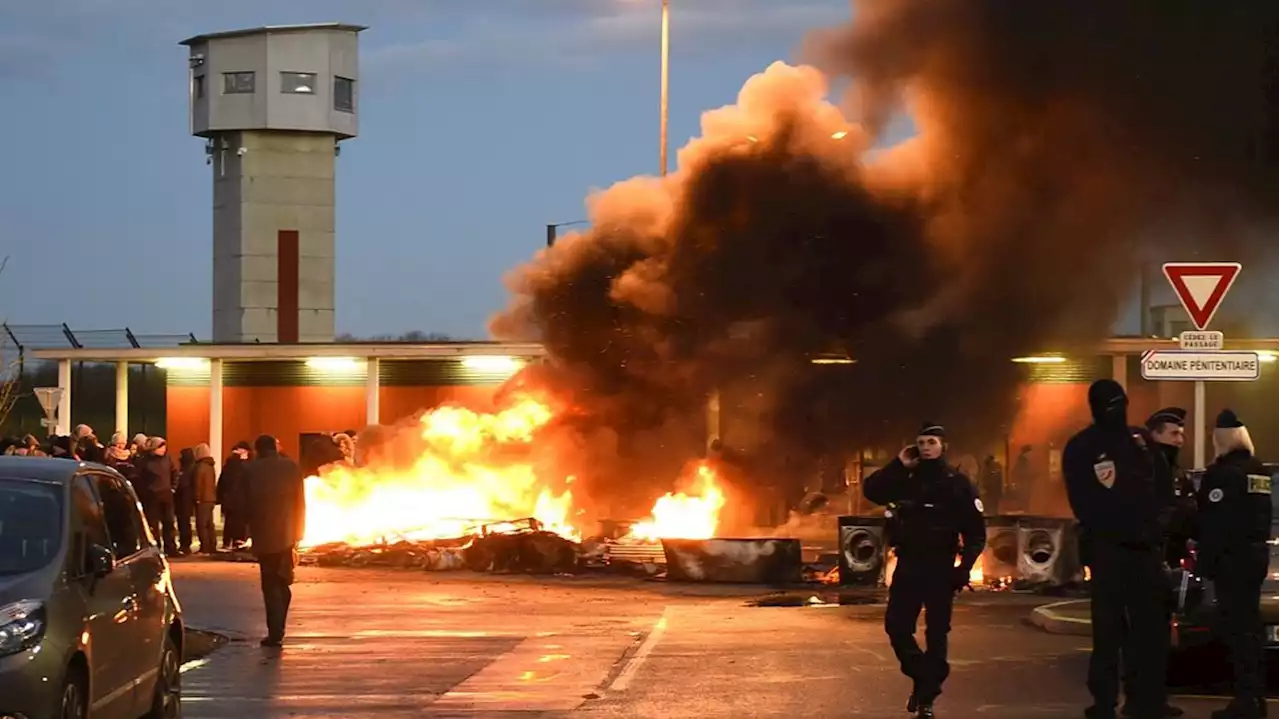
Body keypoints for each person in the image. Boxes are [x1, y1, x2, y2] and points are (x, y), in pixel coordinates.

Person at [1063, 379, 1176, 719]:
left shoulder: (1141, 442)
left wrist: (1154, 529)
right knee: (1109, 633)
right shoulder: (1083, 447)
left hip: (1143, 550)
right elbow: (1081, 500)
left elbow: (1164, 491)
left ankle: (1147, 701)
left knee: (1150, 632)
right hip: (1108, 549)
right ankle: (1105, 702)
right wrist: (1114, 529)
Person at [863, 422, 986, 719]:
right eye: (921, 442)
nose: (926, 447)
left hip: (940, 566)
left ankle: (927, 698)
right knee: (897, 626)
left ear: (943, 446)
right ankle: (924, 678)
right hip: (908, 564)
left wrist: (964, 568)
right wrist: (898, 463)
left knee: (937, 635)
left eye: (931, 442)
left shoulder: (957, 483)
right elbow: (872, 491)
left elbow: (975, 532)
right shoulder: (907, 478)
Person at [1196, 410, 1271, 719]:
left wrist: (1205, 565)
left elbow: (1213, 524)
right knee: (1251, 630)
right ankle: (1257, 698)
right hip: (1256, 557)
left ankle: (1244, 702)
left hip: (1232, 560)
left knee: (1237, 632)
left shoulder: (1221, 474)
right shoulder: (1259, 471)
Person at [245, 434, 307, 647]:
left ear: (258, 449)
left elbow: (240, 502)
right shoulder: (291, 467)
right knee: (283, 582)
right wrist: (299, 533)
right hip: (288, 536)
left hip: (264, 536)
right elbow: (300, 501)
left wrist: (247, 528)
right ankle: (278, 626)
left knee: (270, 584)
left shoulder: (251, 469)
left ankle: (275, 631)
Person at [135, 437, 179, 555]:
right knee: (153, 524)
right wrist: (146, 492)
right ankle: (156, 548)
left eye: (164, 447)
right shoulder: (145, 461)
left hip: (166, 495)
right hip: (152, 497)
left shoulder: (168, 459)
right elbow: (139, 478)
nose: (163, 449)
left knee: (169, 522)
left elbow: (175, 473)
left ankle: (171, 548)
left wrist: (173, 488)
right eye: (161, 447)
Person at [217, 441, 252, 549]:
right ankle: (238, 543)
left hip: (230, 500)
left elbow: (222, 482)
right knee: (240, 523)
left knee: (229, 522)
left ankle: (227, 542)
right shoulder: (244, 466)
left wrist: (221, 497)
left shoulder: (229, 465)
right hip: (241, 500)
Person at [191, 443, 218, 554]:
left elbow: (198, 484)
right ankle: (212, 544)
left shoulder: (200, 467)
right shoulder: (211, 466)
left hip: (202, 499)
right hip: (210, 498)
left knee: (201, 524)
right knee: (209, 524)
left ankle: (205, 546)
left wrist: (197, 497)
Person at [174, 447, 197, 555]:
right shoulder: (187, 468)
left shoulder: (189, 469)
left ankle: (185, 544)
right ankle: (184, 544)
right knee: (183, 523)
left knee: (184, 523)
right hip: (183, 500)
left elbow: (184, 484)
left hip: (185, 500)